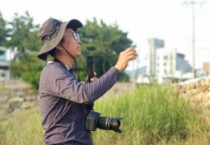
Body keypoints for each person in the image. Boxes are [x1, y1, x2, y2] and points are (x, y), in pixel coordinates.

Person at [37, 17, 137, 145]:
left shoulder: (65, 72)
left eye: (77, 35)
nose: (79, 40)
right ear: (59, 45)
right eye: (74, 35)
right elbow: (84, 94)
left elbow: (78, 104)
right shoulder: (52, 71)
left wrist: (87, 87)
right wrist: (118, 68)